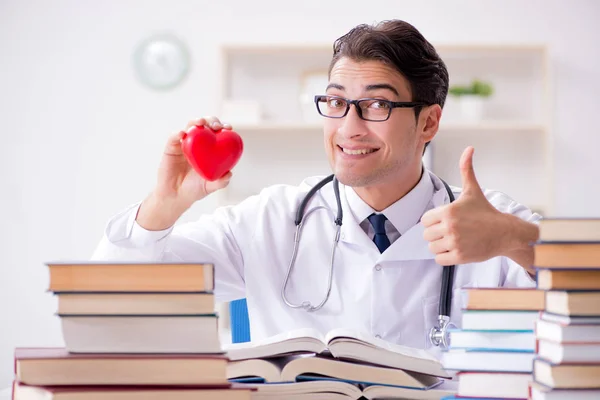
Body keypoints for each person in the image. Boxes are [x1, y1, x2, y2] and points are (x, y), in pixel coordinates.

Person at [92, 19, 540, 352]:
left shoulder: (492, 223)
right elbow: (109, 295)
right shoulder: (268, 219)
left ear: (429, 121)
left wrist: (514, 240)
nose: (349, 128)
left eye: (376, 105)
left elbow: (587, 303)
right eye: (336, 102)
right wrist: (164, 204)